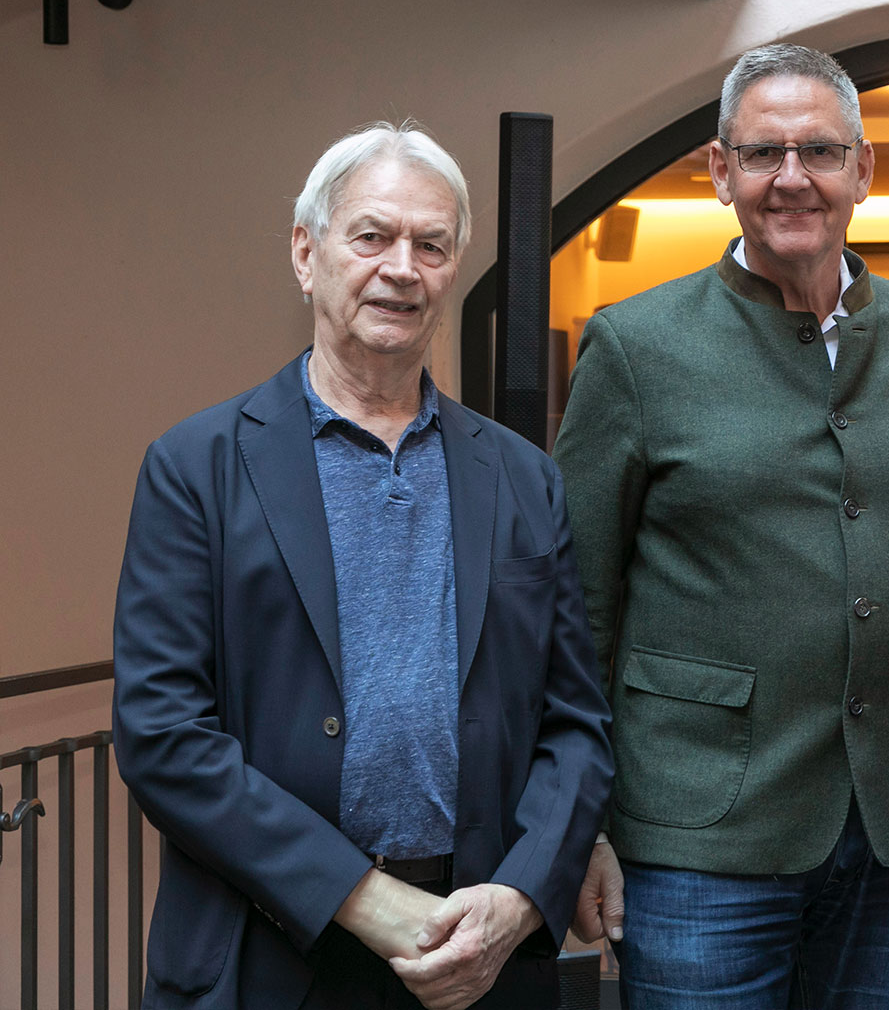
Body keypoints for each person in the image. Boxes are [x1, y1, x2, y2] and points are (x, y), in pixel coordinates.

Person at [112, 121, 613, 1010]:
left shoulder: (524, 476)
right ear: (307, 255)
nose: (402, 268)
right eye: (372, 236)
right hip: (265, 951)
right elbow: (161, 735)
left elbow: (574, 723)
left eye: (432, 245)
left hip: (477, 951)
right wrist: (361, 897)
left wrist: (523, 895)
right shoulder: (196, 467)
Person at [552, 43, 889, 1009]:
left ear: (863, 170)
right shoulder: (636, 346)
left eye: (820, 151)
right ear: (721, 173)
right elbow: (576, 607)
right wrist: (580, 823)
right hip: (696, 836)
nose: (793, 178)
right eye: (762, 154)